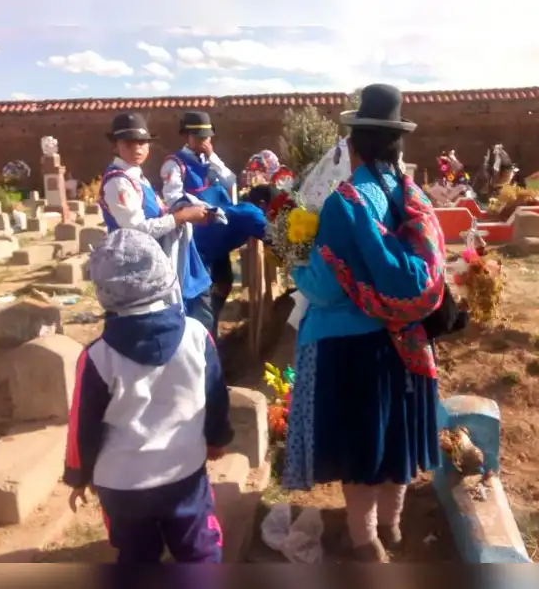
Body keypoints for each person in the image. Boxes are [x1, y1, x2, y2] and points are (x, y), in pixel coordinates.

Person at [281, 84, 445, 562]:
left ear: (351, 143)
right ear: (397, 142)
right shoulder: (412, 195)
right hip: (406, 341)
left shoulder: (345, 203)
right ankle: (392, 529)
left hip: (349, 345)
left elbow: (327, 288)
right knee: (393, 441)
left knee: (360, 449)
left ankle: (365, 540)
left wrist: (295, 261)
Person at [62, 227, 234, 565]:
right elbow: (215, 396)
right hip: (183, 472)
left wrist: (78, 477)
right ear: (165, 275)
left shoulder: (96, 357)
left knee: (137, 555)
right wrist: (216, 439)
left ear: (102, 291)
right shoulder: (198, 336)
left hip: (121, 484)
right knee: (198, 549)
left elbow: (83, 425)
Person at [98, 112, 215, 327]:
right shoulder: (118, 183)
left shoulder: (135, 175)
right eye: (129, 142)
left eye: (142, 142)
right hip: (134, 270)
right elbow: (138, 230)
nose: (138, 148)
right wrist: (182, 216)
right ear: (116, 145)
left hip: (150, 264)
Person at [161, 112, 267, 334]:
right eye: (198, 137)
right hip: (198, 234)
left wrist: (213, 158)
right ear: (186, 136)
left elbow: (230, 181)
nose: (203, 141)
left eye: (206, 137)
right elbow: (174, 199)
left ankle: (213, 329)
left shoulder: (209, 161)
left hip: (217, 230)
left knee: (224, 281)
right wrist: (202, 207)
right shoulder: (175, 164)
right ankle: (205, 340)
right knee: (202, 295)